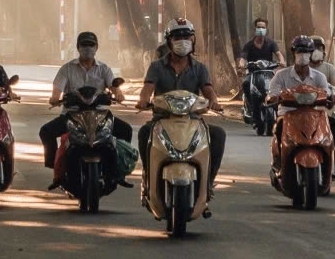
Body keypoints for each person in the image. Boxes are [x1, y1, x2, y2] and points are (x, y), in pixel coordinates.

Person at [135, 18, 226, 206]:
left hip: (192, 122)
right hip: (162, 120)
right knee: (145, 133)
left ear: (193, 40)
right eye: (177, 37)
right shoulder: (156, 66)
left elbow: (208, 90)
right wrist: (143, 100)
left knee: (218, 135)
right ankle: (147, 177)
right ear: (169, 41)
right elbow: (148, 87)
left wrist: (214, 102)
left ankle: (207, 182)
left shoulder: (200, 68)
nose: (182, 41)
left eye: (186, 36)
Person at [40, 32, 133, 189]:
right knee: (46, 131)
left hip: (101, 115)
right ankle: (56, 170)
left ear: (97, 48)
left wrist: (118, 94)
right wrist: (55, 98)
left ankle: (119, 172)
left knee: (126, 130)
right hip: (72, 115)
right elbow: (56, 91)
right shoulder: (67, 69)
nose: (88, 48)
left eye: (91, 45)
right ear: (78, 48)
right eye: (84, 45)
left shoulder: (104, 69)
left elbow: (114, 87)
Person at [267, 36, 335, 171]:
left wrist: (332, 98)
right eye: (300, 51)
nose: (303, 55)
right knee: (278, 128)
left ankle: (333, 156)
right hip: (287, 114)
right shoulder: (281, 75)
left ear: (311, 54)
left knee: (332, 123)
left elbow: (327, 92)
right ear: (293, 52)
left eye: (306, 52)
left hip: (314, 116)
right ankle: (277, 160)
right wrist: (273, 97)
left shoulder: (319, 77)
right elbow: (272, 92)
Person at [309, 36, 335, 168]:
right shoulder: (300, 68)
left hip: (325, 105)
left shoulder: (328, 68)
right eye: (313, 48)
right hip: (303, 106)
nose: (316, 51)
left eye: (319, 48)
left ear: (323, 50)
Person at [236, 17, 285, 101]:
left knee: (278, 86)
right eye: (259, 27)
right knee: (246, 84)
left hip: (268, 73)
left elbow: (278, 54)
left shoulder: (271, 43)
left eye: (263, 27)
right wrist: (241, 65)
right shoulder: (249, 45)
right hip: (253, 73)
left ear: (266, 29)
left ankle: (276, 107)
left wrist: (282, 61)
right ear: (255, 28)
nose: (261, 29)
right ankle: (249, 104)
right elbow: (243, 57)